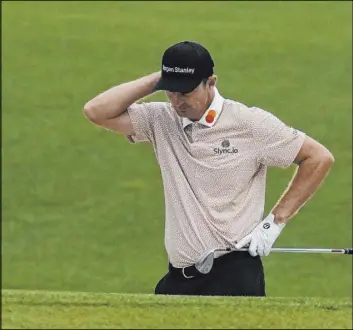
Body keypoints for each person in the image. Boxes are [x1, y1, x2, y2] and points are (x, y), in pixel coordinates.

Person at [83, 40, 334, 297]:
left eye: (186, 92)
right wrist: (162, 78)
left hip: (233, 274)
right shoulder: (161, 120)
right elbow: (96, 112)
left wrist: (274, 223)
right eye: (171, 91)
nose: (177, 102)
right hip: (179, 278)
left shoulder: (249, 123)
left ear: (211, 82)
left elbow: (318, 157)